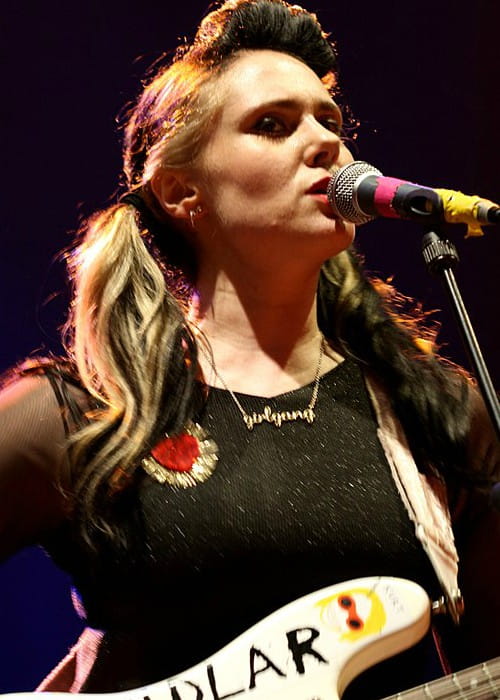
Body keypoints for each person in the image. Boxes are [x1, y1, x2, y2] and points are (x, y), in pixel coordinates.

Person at [0, 0, 498, 696]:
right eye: (272, 125)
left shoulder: (434, 412)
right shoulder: (84, 415)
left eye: (331, 121)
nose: (326, 142)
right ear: (182, 192)